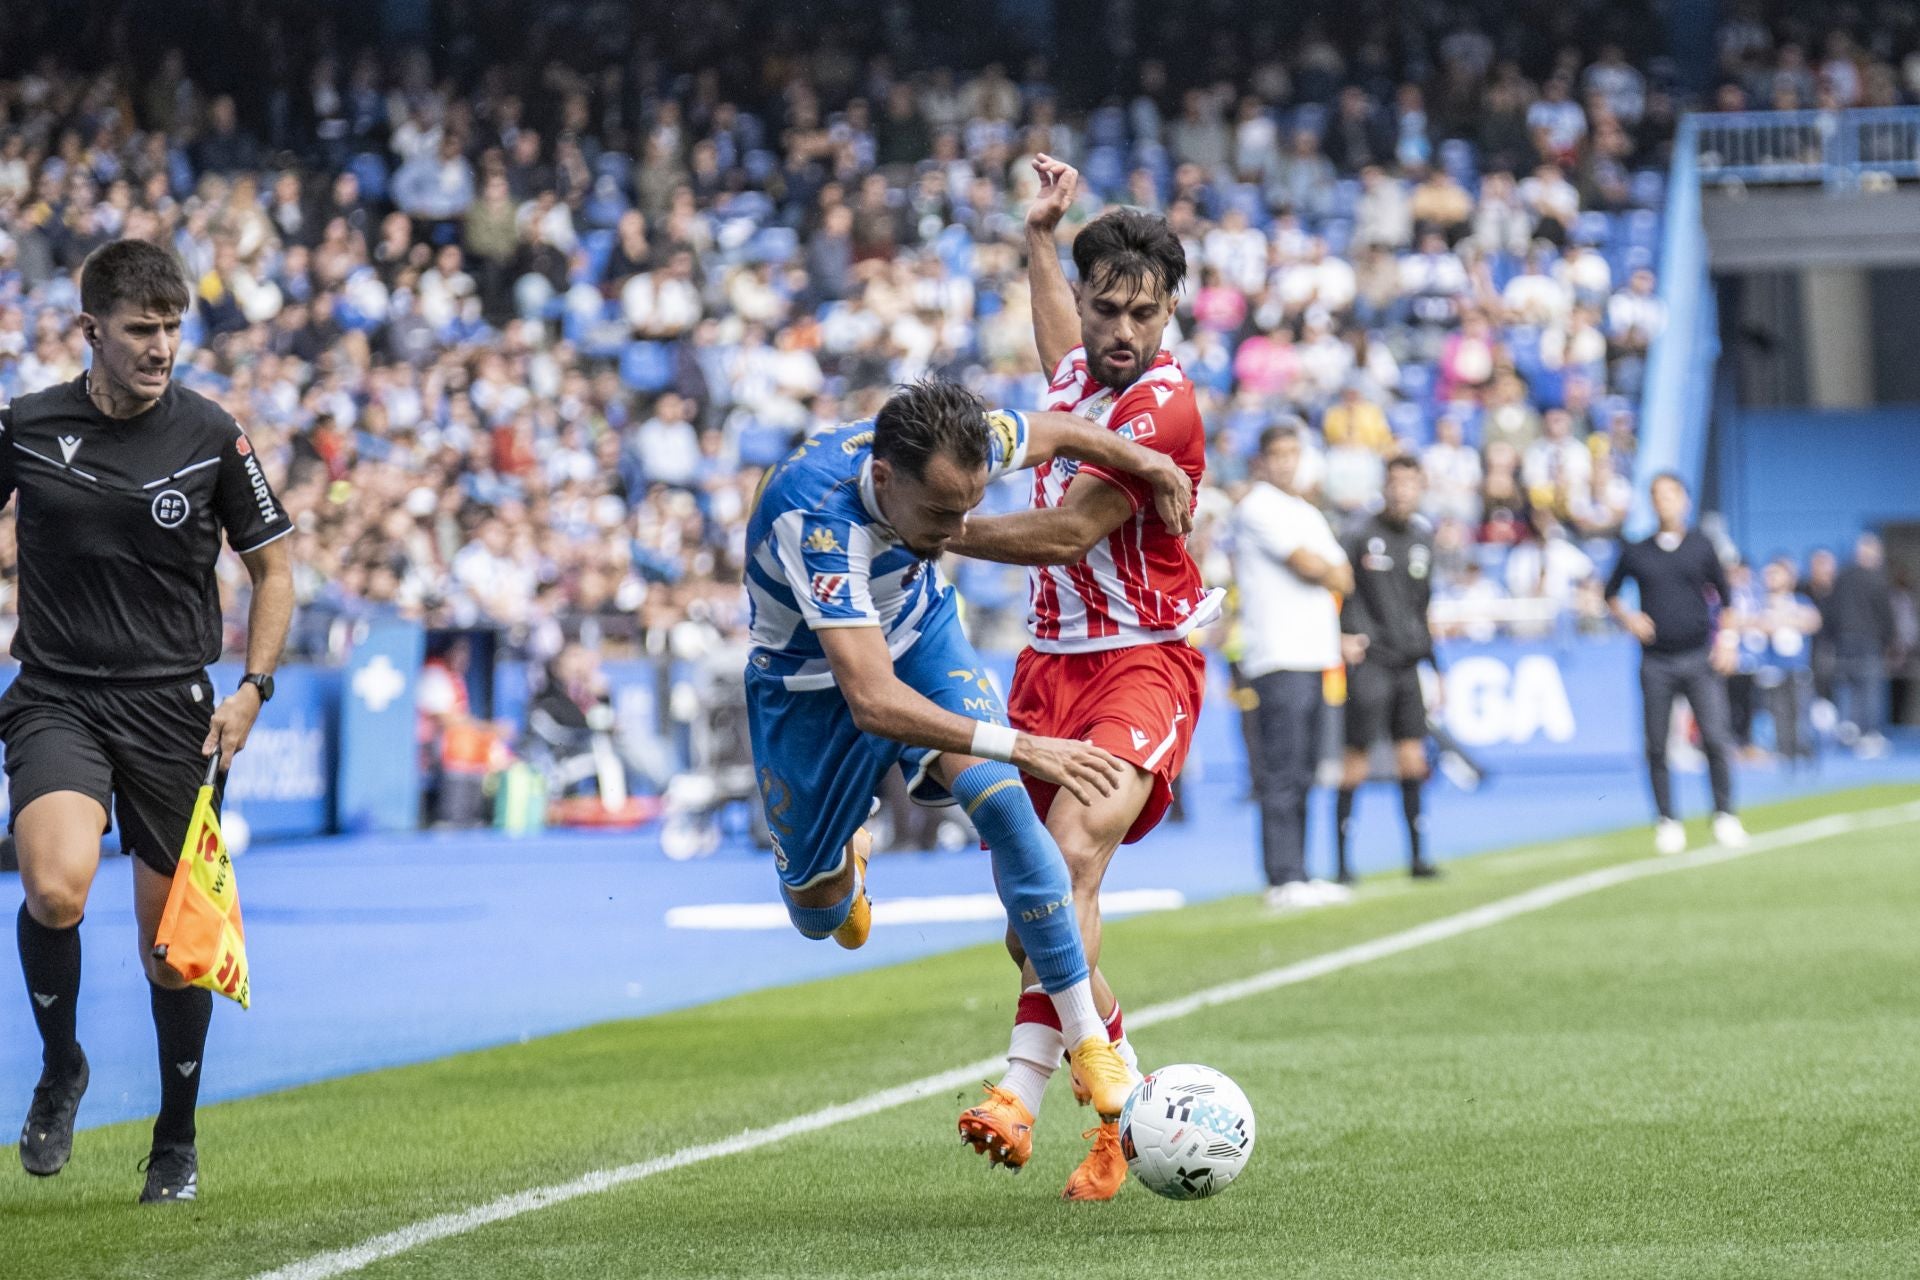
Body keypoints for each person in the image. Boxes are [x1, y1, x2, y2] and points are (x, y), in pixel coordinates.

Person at [742, 377, 1194, 1172]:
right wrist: (1020, 743)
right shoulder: (818, 521)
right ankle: (844, 851)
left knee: (1005, 807)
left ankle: (1091, 1043)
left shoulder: (959, 441)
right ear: (884, 479)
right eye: (941, 514)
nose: (958, 530)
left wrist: (1147, 463)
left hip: (921, 634)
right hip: (812, 690)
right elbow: (873, 698)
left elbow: (1058, 429)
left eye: (967, 508)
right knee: (821, 917)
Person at [944, 157, 1218, 1201]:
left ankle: (1015, 1090)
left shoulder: (1163, 404)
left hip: (1141, 664)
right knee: (1032, 920)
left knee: (1065, 864)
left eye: (1143, 314)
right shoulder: (1078, 371)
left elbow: (1064, 532)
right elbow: (1061, 338)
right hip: (1045, 671)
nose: (1120, 331)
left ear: (1168, 311)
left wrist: (941, 527)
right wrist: (1039, 237)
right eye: (1109, 308)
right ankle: (1127, 1108)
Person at [3, 239, 294, 1202]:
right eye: (141, 329)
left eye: (173, 328)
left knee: (173, 953)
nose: (162, 346)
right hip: (57, 694)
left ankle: (174, 1140)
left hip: (178, 707)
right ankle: (61, 1068)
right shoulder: (28, 426)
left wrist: (253, 687)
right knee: (55, 893)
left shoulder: (212, 433)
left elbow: (274, 569)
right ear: (91, 330)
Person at [1230, 422, 1354, 910]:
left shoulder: (1304, 510)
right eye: (1277, 453)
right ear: (1262, 460)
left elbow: (1344, 576)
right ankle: (1280, 877)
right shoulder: (1258, 506)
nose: (1286, 462)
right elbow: (1310, 565)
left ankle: (1300, 871)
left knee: (1304, 769)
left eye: (1292, 453)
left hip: (1314, 653)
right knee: (1281, 769)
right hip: (1277, 653)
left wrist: (1325, 569)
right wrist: (1324, 568)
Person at [1603, 473, 1746, 855]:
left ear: (1684, 500)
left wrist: (1727, 642)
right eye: (1657, 495)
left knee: (1715, 737)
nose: (1664, 502)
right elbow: (1610, 593)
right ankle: (1667, 820)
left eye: (1671, 494)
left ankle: (1724, 814)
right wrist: (1629, 618)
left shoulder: (1702, 546)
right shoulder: (1637, 551)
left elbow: (1728, 599)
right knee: (1656, 744)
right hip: (1656, 661)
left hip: (1698, 656)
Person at [1336, 455, 1442, 882]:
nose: (1402, 490)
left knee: (1413, 759)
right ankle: (1343, 863)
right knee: (1356, 761)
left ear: (1420, 488)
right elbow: (1339, 585)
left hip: (1408, 664)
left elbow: (1424, 606)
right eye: (1395, 482)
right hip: (1372, 662)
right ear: (1385, 486)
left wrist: (1437, 663)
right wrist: (1343, 632)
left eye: (1409, 483)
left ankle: (1418, 858)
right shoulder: (1360, 534)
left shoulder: (1422, 538)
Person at [1828, 533, 1895, 757]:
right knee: (1869, 687)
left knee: (1847, 685)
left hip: (1843, 639)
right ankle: (1869, 734)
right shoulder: (1877, 579)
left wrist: (1832, 636)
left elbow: (1831, 610)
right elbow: (1885, 613)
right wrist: (1890, 639)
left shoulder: (1841, 577)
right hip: (1869, 640)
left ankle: (1849, 728)